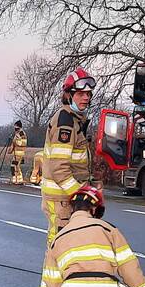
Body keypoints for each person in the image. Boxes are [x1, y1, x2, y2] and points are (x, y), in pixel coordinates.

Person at [41, 68, 96, 248]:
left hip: (66, 197)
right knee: (60, 247)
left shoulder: (75, 120)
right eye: (80, 93)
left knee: (70, 248)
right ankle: (51, 278)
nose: (86, 97)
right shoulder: (65, 122)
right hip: (61, 200)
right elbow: (59, 168)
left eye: (88, 93)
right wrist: (81, 195)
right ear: (69, 95)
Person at [10, 120, 27, 185]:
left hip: (19, 153)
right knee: (15, 166)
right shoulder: (17, 133)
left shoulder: (21, 133)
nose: (14, 127)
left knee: (14, 165)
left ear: (18, 126)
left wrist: (15, 142)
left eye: (15, 126)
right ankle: (16, 179)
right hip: (16, 153)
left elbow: (23, 143)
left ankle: (18, 180)